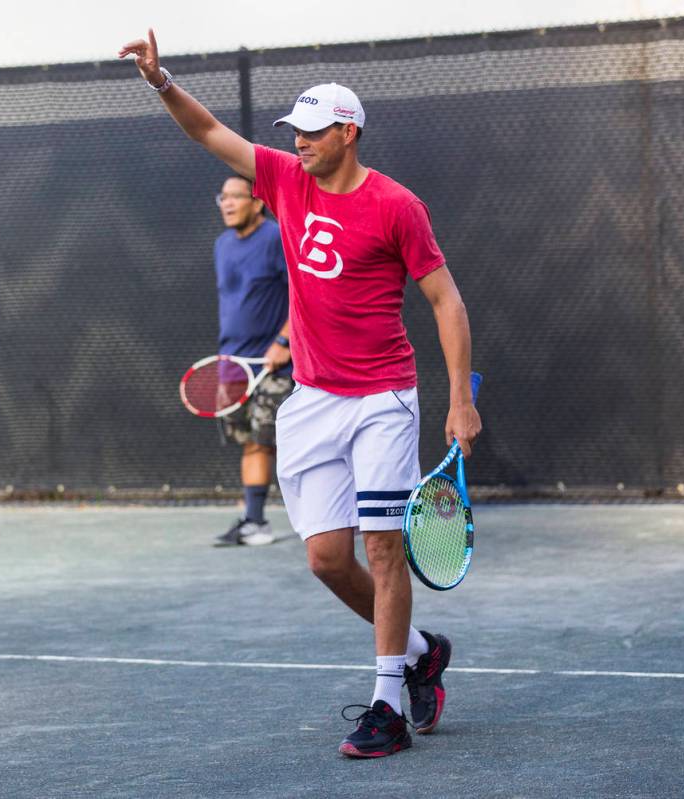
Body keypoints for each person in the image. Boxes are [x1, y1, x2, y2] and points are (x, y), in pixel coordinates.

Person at [119, 30, 482, 758]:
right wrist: (162, 83)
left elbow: (445, 300)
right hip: (312, 399)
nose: (301, 141)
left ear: (348, 132)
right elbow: (212, 132)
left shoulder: (397, 206)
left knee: (383, 549)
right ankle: (418, 652)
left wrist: (459, 400)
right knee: (325, 558)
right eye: (296, 131)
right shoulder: (285, 178)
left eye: (314, 132)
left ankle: (386, 705)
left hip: (384, 397)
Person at [212, 175, 293, 547]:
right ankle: (254, 521)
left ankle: (345, 514)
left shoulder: (276, 238)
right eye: (222, 198)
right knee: (250, 443)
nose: (227, 204)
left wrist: (284, 342)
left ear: (257, 202)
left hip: (273, 364)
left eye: (235, 197)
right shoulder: (222, 245)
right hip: (232, 362)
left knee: (269, 442)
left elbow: (303, 293)